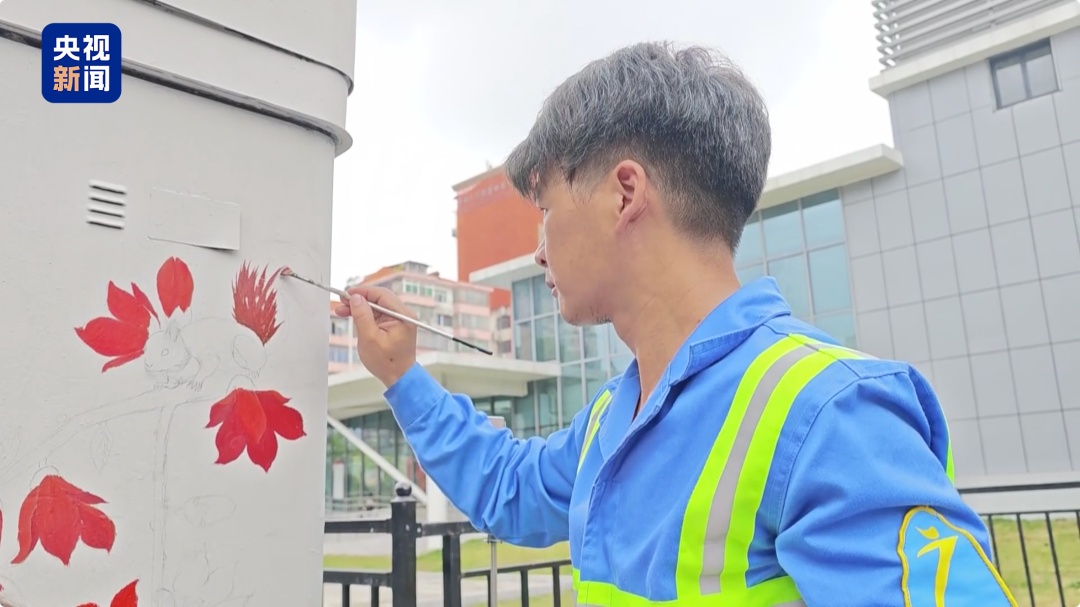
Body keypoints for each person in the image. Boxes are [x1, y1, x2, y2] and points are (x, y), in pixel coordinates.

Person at [337, 42, 1017, 606]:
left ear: (624, 193)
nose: (539, 248)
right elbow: (511, 488)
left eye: (544, 208)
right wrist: (401, 375)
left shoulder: (827, 414)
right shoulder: (614, 418)